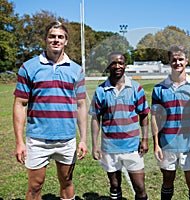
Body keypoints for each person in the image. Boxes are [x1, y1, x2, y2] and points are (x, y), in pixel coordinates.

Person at [13, 21, 88, 200]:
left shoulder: (77, 70)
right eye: (52, 36)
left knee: (67, 183)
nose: (56, 40)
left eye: (60, 37)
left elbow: (81, 105)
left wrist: (83, 139)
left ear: (66, 41)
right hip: (38, 139)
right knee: (35, 186)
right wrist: (19, 142)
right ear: (45, 39)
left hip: (67, 138)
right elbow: (20, 104)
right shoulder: (28, 67)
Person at [151, 44, 190, 200]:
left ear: (187, 61)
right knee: (167, 182)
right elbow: (155, 118)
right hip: (166, 145)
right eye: (174, 59)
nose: (177, 63)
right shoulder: (159, 89)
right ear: (169, 61)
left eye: (181, 59)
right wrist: (156, 144)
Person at [89, 52, 149, 200]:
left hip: (132, 146)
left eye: (120, 63)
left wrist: (145, 139)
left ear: (125, 65)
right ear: (108, 65)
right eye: (113, 63)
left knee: (140, 187)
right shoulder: (100, 90)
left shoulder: (136, 88)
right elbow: (96, 118)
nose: (117, 66)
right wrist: (95, 145)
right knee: (115, 185)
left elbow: (144, 115)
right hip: (110, 147)